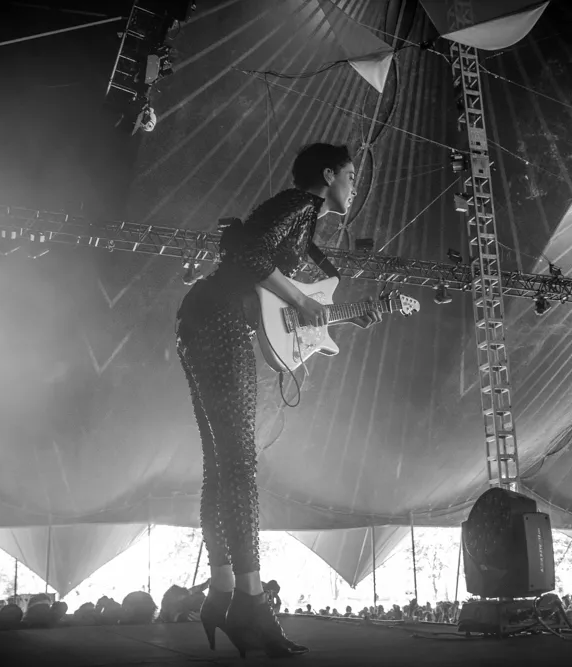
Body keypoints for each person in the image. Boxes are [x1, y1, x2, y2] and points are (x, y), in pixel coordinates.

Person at [176, 143, 383, 658]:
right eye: (351, 176)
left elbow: (278, 296)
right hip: (217, 321)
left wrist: (332, 316)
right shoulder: (297, 205)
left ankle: (223, 589)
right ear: (328, 174)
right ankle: (249, 600)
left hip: (206, 319)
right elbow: (248, 256)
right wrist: (303, 300)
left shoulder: (303, 220)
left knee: (222, 463)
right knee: (240, 461)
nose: (354, 187)